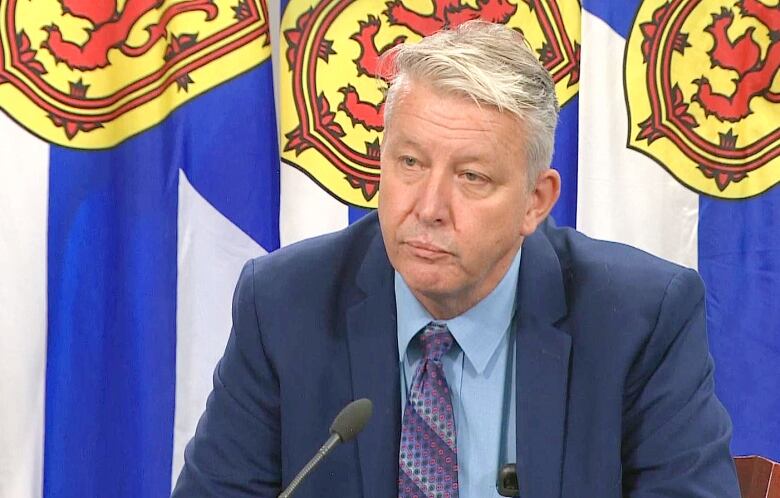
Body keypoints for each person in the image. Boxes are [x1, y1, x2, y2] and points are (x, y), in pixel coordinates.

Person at [172, 21, 740, 498]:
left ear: (534, 202)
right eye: (410, 163)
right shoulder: (284, 303)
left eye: (471, 177)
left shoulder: (638, 319)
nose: (429, 207)